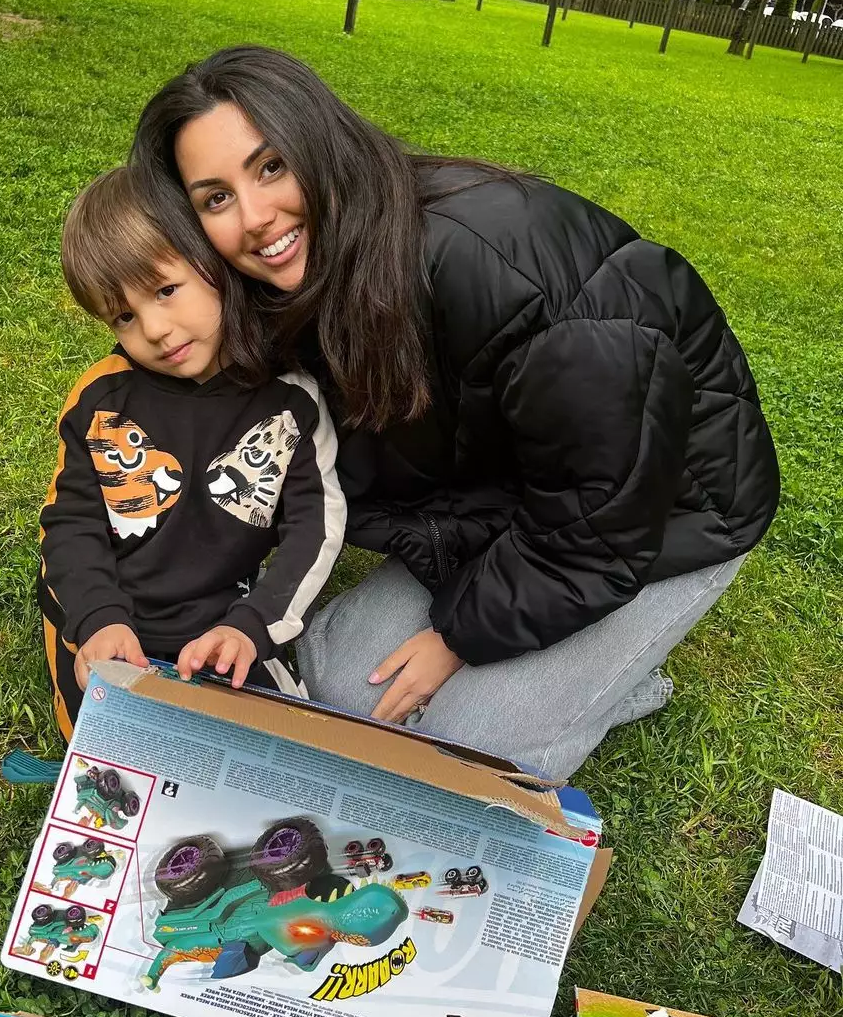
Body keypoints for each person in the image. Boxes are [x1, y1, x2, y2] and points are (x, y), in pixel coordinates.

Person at [128, 45, 780, 779]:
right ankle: (568, 666)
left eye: (272, 166)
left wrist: (455, 638)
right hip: (508, 488)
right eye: (215, 199)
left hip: (668, 508)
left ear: (322, 141)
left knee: (473, 750)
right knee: (344, 690)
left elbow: (600, 518)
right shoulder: (290, 285)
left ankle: (616, 679)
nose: (254, 218)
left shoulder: (498, 268)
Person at [39, 165, 346, 739]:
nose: (155, 329)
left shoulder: (291, 400)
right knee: (108, 749)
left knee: (280, 744)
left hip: (225, 618)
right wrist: (97, 619)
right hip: (109, 615)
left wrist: (253, 625)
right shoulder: (100, 398)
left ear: (214, 262)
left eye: (166, 290)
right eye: (124, 316)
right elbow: (70, 524)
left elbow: (316, 525)